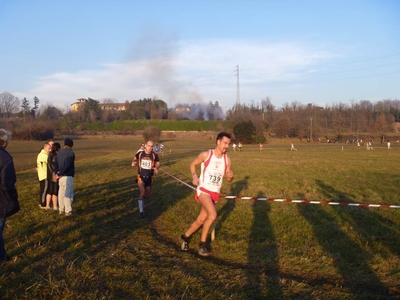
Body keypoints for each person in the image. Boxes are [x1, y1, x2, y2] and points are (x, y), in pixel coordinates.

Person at [180, 132, 234, 257]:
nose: (227, 146)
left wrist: (230, 176)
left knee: (201, 219)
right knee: (213, 214)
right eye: (225, 143)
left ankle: (185, 237)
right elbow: (192, 164)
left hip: (215, 192)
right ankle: (202, 244)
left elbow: (228, 178)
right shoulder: (206, 155)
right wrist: (194, 176)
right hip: (204, 190)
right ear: (218, 142)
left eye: (229, 144)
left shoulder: (227, 159)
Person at [0, 129, 20, 264]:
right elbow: (7, 183)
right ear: (5, 142)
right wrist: (12, 198)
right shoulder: (5, 157)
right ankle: (1, 256)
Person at [131, 140, 160, 218]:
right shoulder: (140, 154)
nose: (150, 148)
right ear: (145, 146)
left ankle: (141, 199)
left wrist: (156, 168)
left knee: (147, 195)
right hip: (141, 177)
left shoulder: (154, 155)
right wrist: (133, 162)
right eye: (149, 146)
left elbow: (158, 163)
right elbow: (134, 158)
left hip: (149, 178)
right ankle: (141, 211)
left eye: (151, 146)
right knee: (142, 192)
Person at [54, 138, 75, 216]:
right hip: (67, 176)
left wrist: (57, 173)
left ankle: (61, 209)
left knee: (61, 193)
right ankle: (68, 211)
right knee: (68, 194)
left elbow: (55, 164)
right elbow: (68, 165)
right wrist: (61, 173)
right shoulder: (70, 153)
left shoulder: (59, 153)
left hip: (60, 177)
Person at [37, 139, 53, 209]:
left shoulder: (42, 154)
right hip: (45, 175)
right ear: (45, 148)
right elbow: (50, 161)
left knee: (43, 189)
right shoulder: (44, 155)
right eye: (49, 149)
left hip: (42, 175)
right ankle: (42, 204)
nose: (50, 150)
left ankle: (43, 203)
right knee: (44, 190)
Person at [46, 142, 61, 210]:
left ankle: (47, 205)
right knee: (55, 191)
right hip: (54, 175)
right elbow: (56, 166)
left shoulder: (49, 155)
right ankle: (55, 206)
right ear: (58, 148)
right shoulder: (56, 156)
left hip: (49, 175)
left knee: (49, 191)